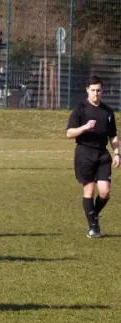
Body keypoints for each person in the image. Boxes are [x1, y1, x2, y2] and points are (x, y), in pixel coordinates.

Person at [66, 75, 119, 238]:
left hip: (103, 155)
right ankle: (93, 227)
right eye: (93, 90)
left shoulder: (108, 112)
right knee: (89, 189)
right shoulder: (80, 108)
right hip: (85, 153)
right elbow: (69, 133)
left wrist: (117, 153)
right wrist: (84, 127)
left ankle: (93, 215)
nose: (96, 93)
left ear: (102, 91)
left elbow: (113, 136)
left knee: (105, 192)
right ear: (87, 90)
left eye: (99, 90)